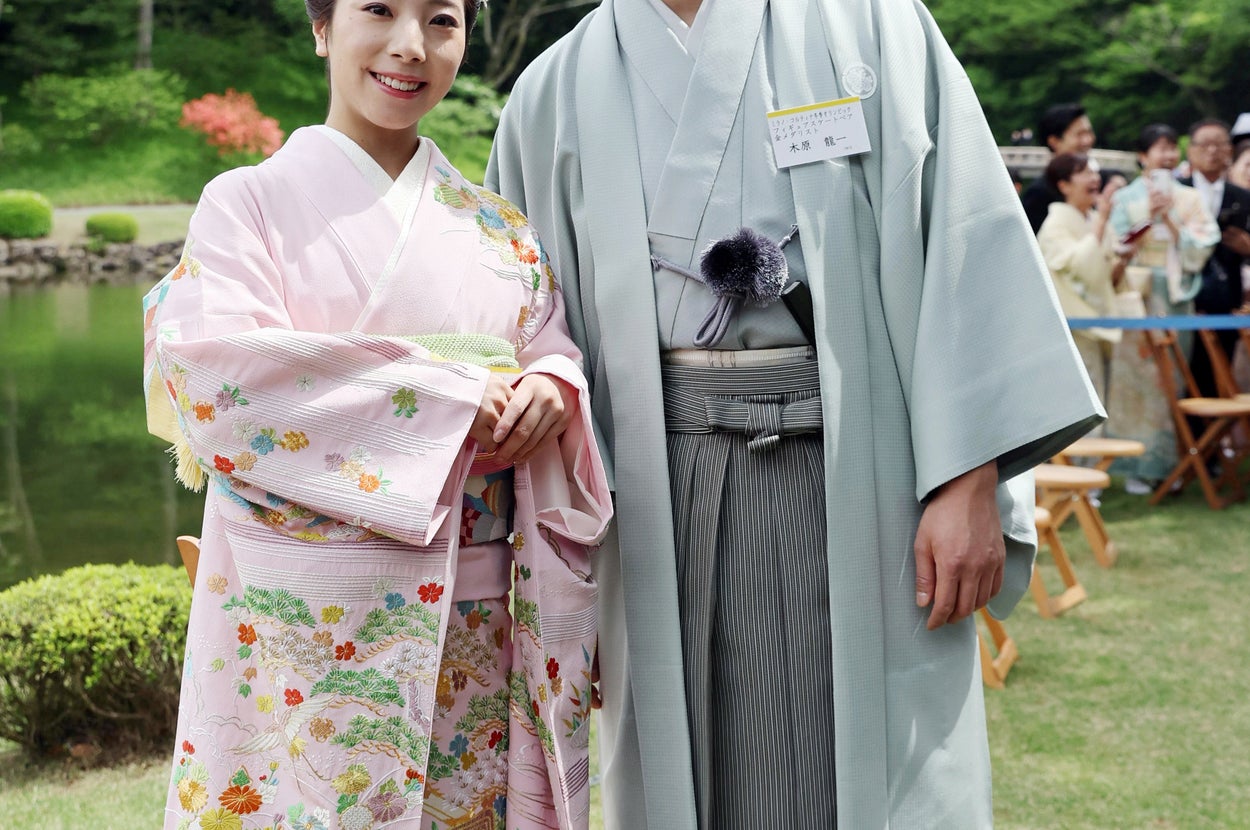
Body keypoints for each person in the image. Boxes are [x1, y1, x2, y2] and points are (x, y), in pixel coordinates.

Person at [486, 0, 1104, 827]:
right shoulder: (555, 88)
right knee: (686, 762)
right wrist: (561, 580)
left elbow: (964, 237)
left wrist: (968, 480)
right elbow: (528, 327)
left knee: (875, 768)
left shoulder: (876, 27)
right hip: (653, 494)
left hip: (869, 475)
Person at [141, 1, 612, 828]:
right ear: (321, 26)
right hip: (303, 627)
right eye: (380, 10)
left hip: (475, 624)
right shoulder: (246, 203)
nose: (410, 45)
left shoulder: (498, 228)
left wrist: (552, 385)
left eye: (441, 20)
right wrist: (447, 396)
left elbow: (550, 343)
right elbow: (217, 379)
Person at [1105, 123, 1219, 493]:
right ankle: (1137, 466)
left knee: (1172, 379)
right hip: (1137, 296)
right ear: (1143, 156)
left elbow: (1203, 245)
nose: (1168, 155)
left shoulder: (1189, 198)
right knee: (1137, 381)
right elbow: (1114, 246)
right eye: (1160, 148)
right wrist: (1147, 220)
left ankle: (1172, 463)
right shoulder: (1126, 198)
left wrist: (1168, 217)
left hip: (1174, 297)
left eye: (1173, 147)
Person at [1036, 153, 1135, 403]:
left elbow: (1107, 279)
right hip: (1074, 327)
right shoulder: (1055, 225)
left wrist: (1124, 260)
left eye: (1094, 172)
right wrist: (1100, 222)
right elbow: (1081, 268)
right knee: (1082, 397)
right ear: (1064, 185)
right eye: (1084, 173)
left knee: (1107, 395)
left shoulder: (1096, 221)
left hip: (1101, 320)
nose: (1094, 178)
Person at [1180, 118, 1250, 400]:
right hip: (1185, 296)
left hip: (1228, 299)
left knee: (1220, 374)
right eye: (1204, 145)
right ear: (1190, 151)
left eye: (1219, 144)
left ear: (1229, 151)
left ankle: (1216, 426)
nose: (1212, 151)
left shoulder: (1242, 197)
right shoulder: (1177, 191)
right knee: (1185, 370)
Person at [1021, 102, 1100, 233]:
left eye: (1089, 132)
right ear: (1054, 142)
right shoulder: (1039, 194)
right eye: (1079, 134)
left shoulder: (1098, 181)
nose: (1087, 140)